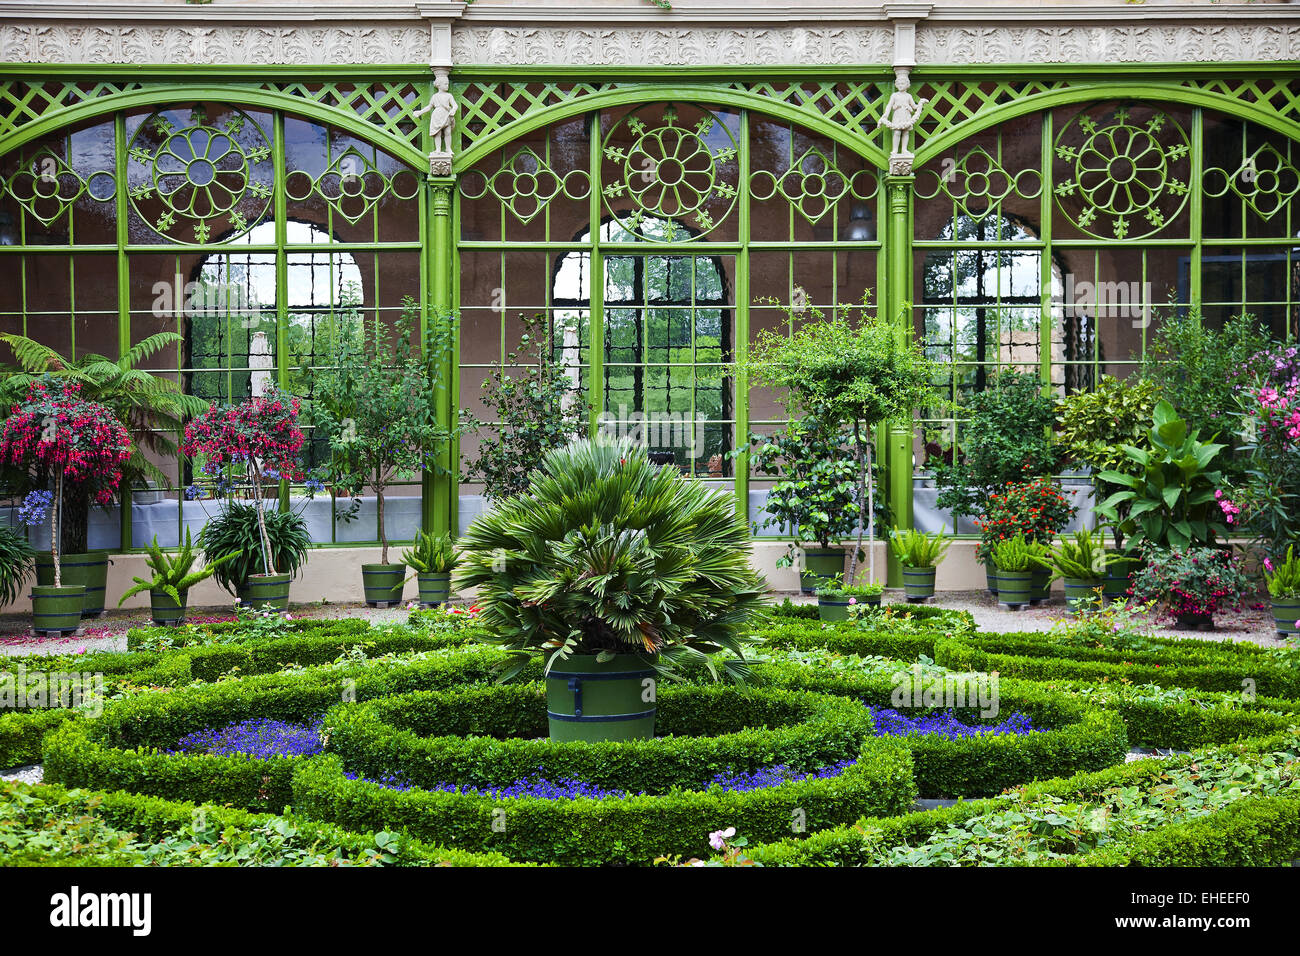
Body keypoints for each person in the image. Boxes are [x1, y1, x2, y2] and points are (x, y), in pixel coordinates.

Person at [876, 70, 928, 156]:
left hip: (906, 116)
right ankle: (895, 150)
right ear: (896, 85)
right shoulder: (894, 95)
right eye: (899, 84)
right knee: (897, 132)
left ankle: (904, 149)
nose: (900, 85)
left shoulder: (908, 96)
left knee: (906, 132)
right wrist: (885, 115)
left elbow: (914, 107)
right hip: (898, 116)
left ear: (907, 85)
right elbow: (889, 106)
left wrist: (920, 103)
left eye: (902, 84)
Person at [414, 72, 458, 154]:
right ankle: (438, 149)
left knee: (448, 132)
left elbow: (455, 105)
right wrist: (420, 112)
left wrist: (453, 110)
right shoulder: (435, 96)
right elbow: (429, 107)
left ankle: (448, 148)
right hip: (437, 115)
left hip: (446, 115)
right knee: (437, 133)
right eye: (445, 84)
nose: (447, 86)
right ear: (439, 85)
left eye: (447, 84)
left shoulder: (449, 95)